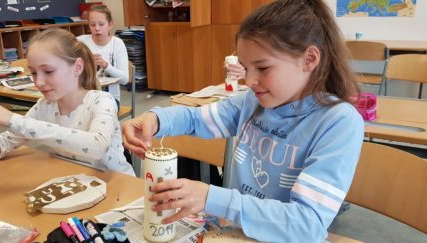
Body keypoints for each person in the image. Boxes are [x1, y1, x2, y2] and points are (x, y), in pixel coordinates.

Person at [122, 0, 364, 241]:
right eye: (246, 69)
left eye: (263, 68)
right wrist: (155, 118)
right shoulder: (253, 101)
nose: (249, 82)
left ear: (309, 59)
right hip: (234, 233)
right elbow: (196, 118)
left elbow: (306, 225)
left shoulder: (338, 122)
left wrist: (210, 198)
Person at [0, 28, 135, 176]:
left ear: (77, 67)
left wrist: (17, 121)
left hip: (119, 189)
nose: (38, 82)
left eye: (48, 71)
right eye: (33, 73)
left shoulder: (102, 100)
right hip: (78, 187)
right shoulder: (44, 108)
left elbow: (96, 146)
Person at [77, 4, 129, 109]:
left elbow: (125, 80)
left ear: (110, 25)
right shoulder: (81, 41)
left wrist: (105, 65)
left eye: (101, 24)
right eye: (92, 24)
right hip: (84, 96)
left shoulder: (117, 44)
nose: (97, 28)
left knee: (93, 111)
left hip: (109, 99)